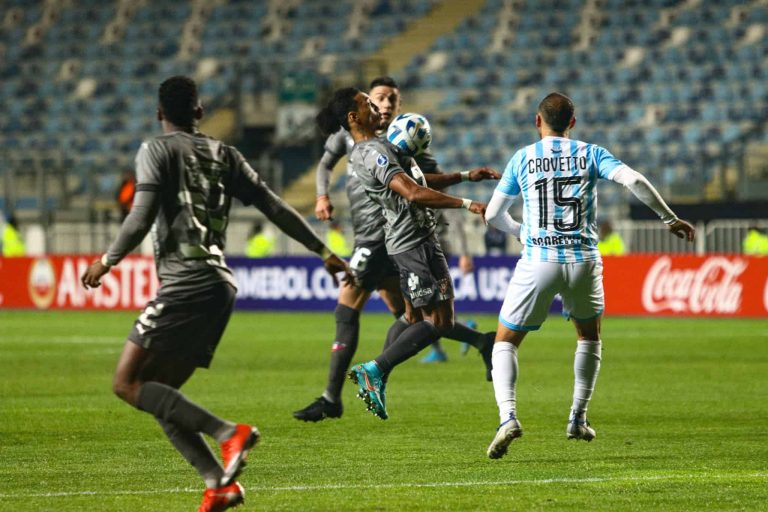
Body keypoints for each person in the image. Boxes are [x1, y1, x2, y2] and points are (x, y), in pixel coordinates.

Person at [80, 76, 350, 511]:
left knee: (127, 383)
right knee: (163, 396)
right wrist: (322, 250)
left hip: (186, 282)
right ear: (200, 112)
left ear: (158, 114)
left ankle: (229, 433)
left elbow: (141, 215)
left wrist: (107, 260)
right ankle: (217, 483)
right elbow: (274, 206)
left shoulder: (156, 149)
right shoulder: (226, 154)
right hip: (220, 285)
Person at [484, 92, 695, 459]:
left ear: (537, 121)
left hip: (539, 261)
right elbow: (634, 180)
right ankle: (578, 418)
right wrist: (669, 218)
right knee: (589, 337)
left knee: (505, 341)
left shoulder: (522, 158)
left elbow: (491, 216)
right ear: (573, 123)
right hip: (583, 261)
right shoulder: (591, 153)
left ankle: (508, 418)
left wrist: (522, 231)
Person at [294, 77, 497, 422]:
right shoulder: (371, 151)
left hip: (413, 238)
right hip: (394, 241)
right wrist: (468, 203)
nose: (379, 107)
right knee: (413, 317)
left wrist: (464, 175)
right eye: (371, 103)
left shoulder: (387, 143)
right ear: (354, 117)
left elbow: (419, 180)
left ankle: (473, 344)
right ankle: (366, 376)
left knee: (417, 316)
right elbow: (413, 192)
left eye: (386, 100)